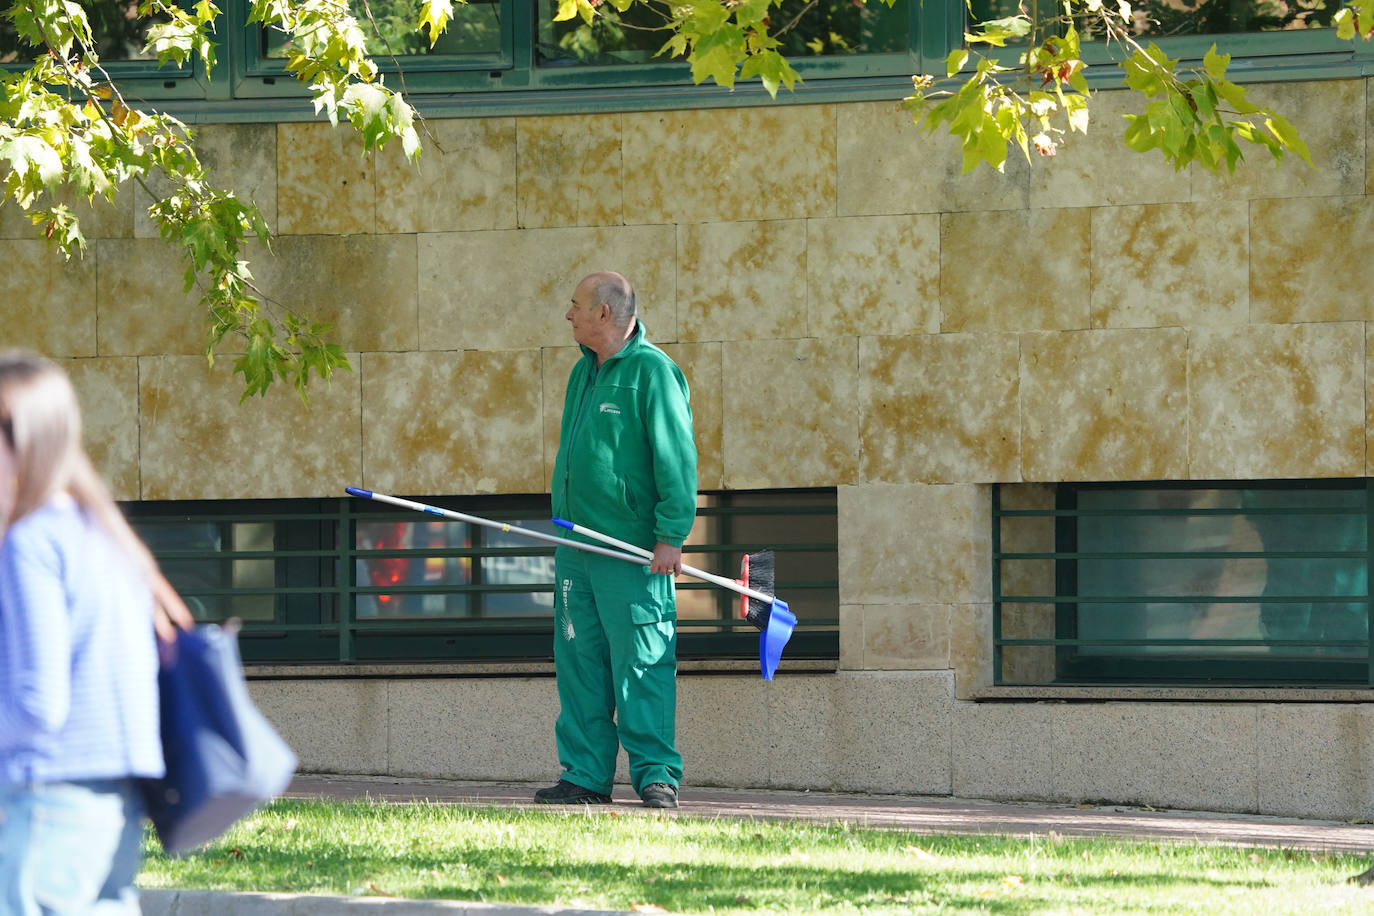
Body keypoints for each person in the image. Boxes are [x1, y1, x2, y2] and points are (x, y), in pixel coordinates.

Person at [0, 351, 192, 914]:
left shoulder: (29, 541)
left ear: (20, 440)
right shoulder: (105, 537)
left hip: (46, 798)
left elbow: (39, 703)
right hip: (117, 803)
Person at [537, 271, 698, 810]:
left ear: (603, 313)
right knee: (579, 665)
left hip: (632, 553)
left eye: (575, 305)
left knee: (642, 663)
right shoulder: (581, 373)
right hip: (576, 548)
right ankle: (584, 776)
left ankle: (656, 776)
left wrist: (671, 536)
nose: (569, 314)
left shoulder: (654, 372)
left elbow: (676, 457)